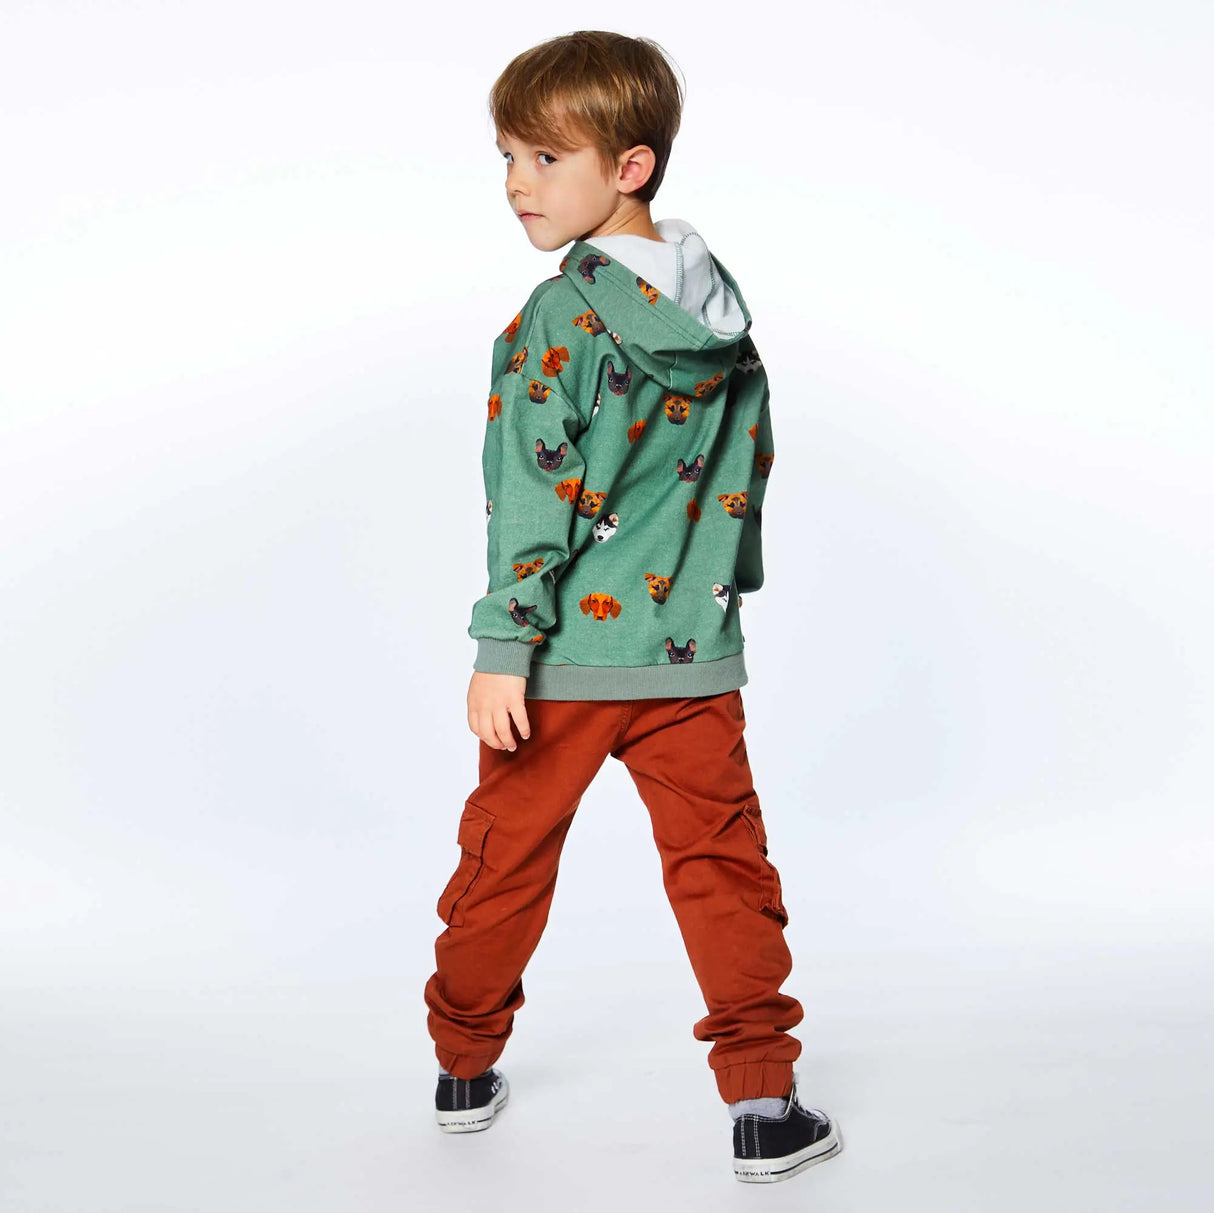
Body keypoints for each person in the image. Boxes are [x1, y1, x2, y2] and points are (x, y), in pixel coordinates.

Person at [422, 29, 842, 1184]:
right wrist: (719, 581)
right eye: (507, 157)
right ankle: (763, 1104)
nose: (516, 183)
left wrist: (501, 644)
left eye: (544, 157)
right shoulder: (724, 326)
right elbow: (748, 462)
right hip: (689, 652)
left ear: (629, 166)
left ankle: (461, 1068)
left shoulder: (556, 318)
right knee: (723, 868)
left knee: (505, 860)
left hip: (554, 665)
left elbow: (530, 486)